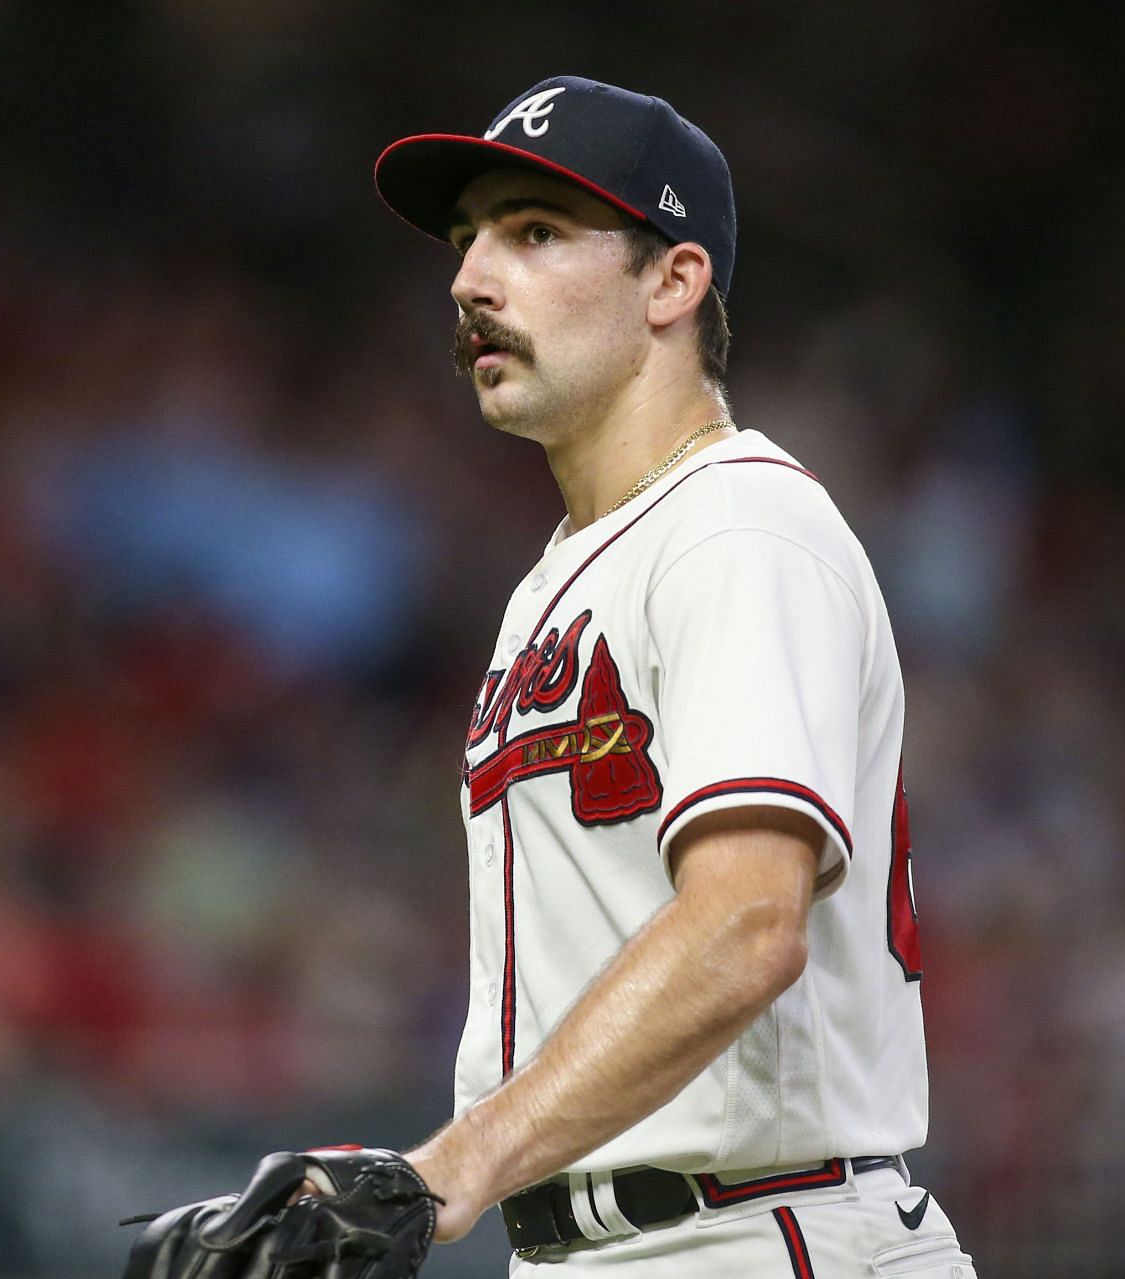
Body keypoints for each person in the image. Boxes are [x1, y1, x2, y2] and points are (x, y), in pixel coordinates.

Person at [366, 76, 978, 1275]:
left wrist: (446, 1167)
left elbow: (747, 924)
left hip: (757, 1228)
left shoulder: (738, 522)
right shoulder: (559, 579)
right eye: (467, 239)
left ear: (672, 282)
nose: (472, 279)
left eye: (534, 232)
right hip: (607, 1242)